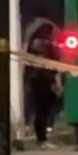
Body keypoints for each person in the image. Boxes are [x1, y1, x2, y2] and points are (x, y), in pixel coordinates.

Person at [25, 19, 60, 148]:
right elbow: (51, 61)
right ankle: (41, 138)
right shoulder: (42, 45)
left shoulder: (36, 44)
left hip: (41, 80)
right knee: (42, 110)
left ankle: (42, 136)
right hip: (41, 81)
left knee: (42, 109)